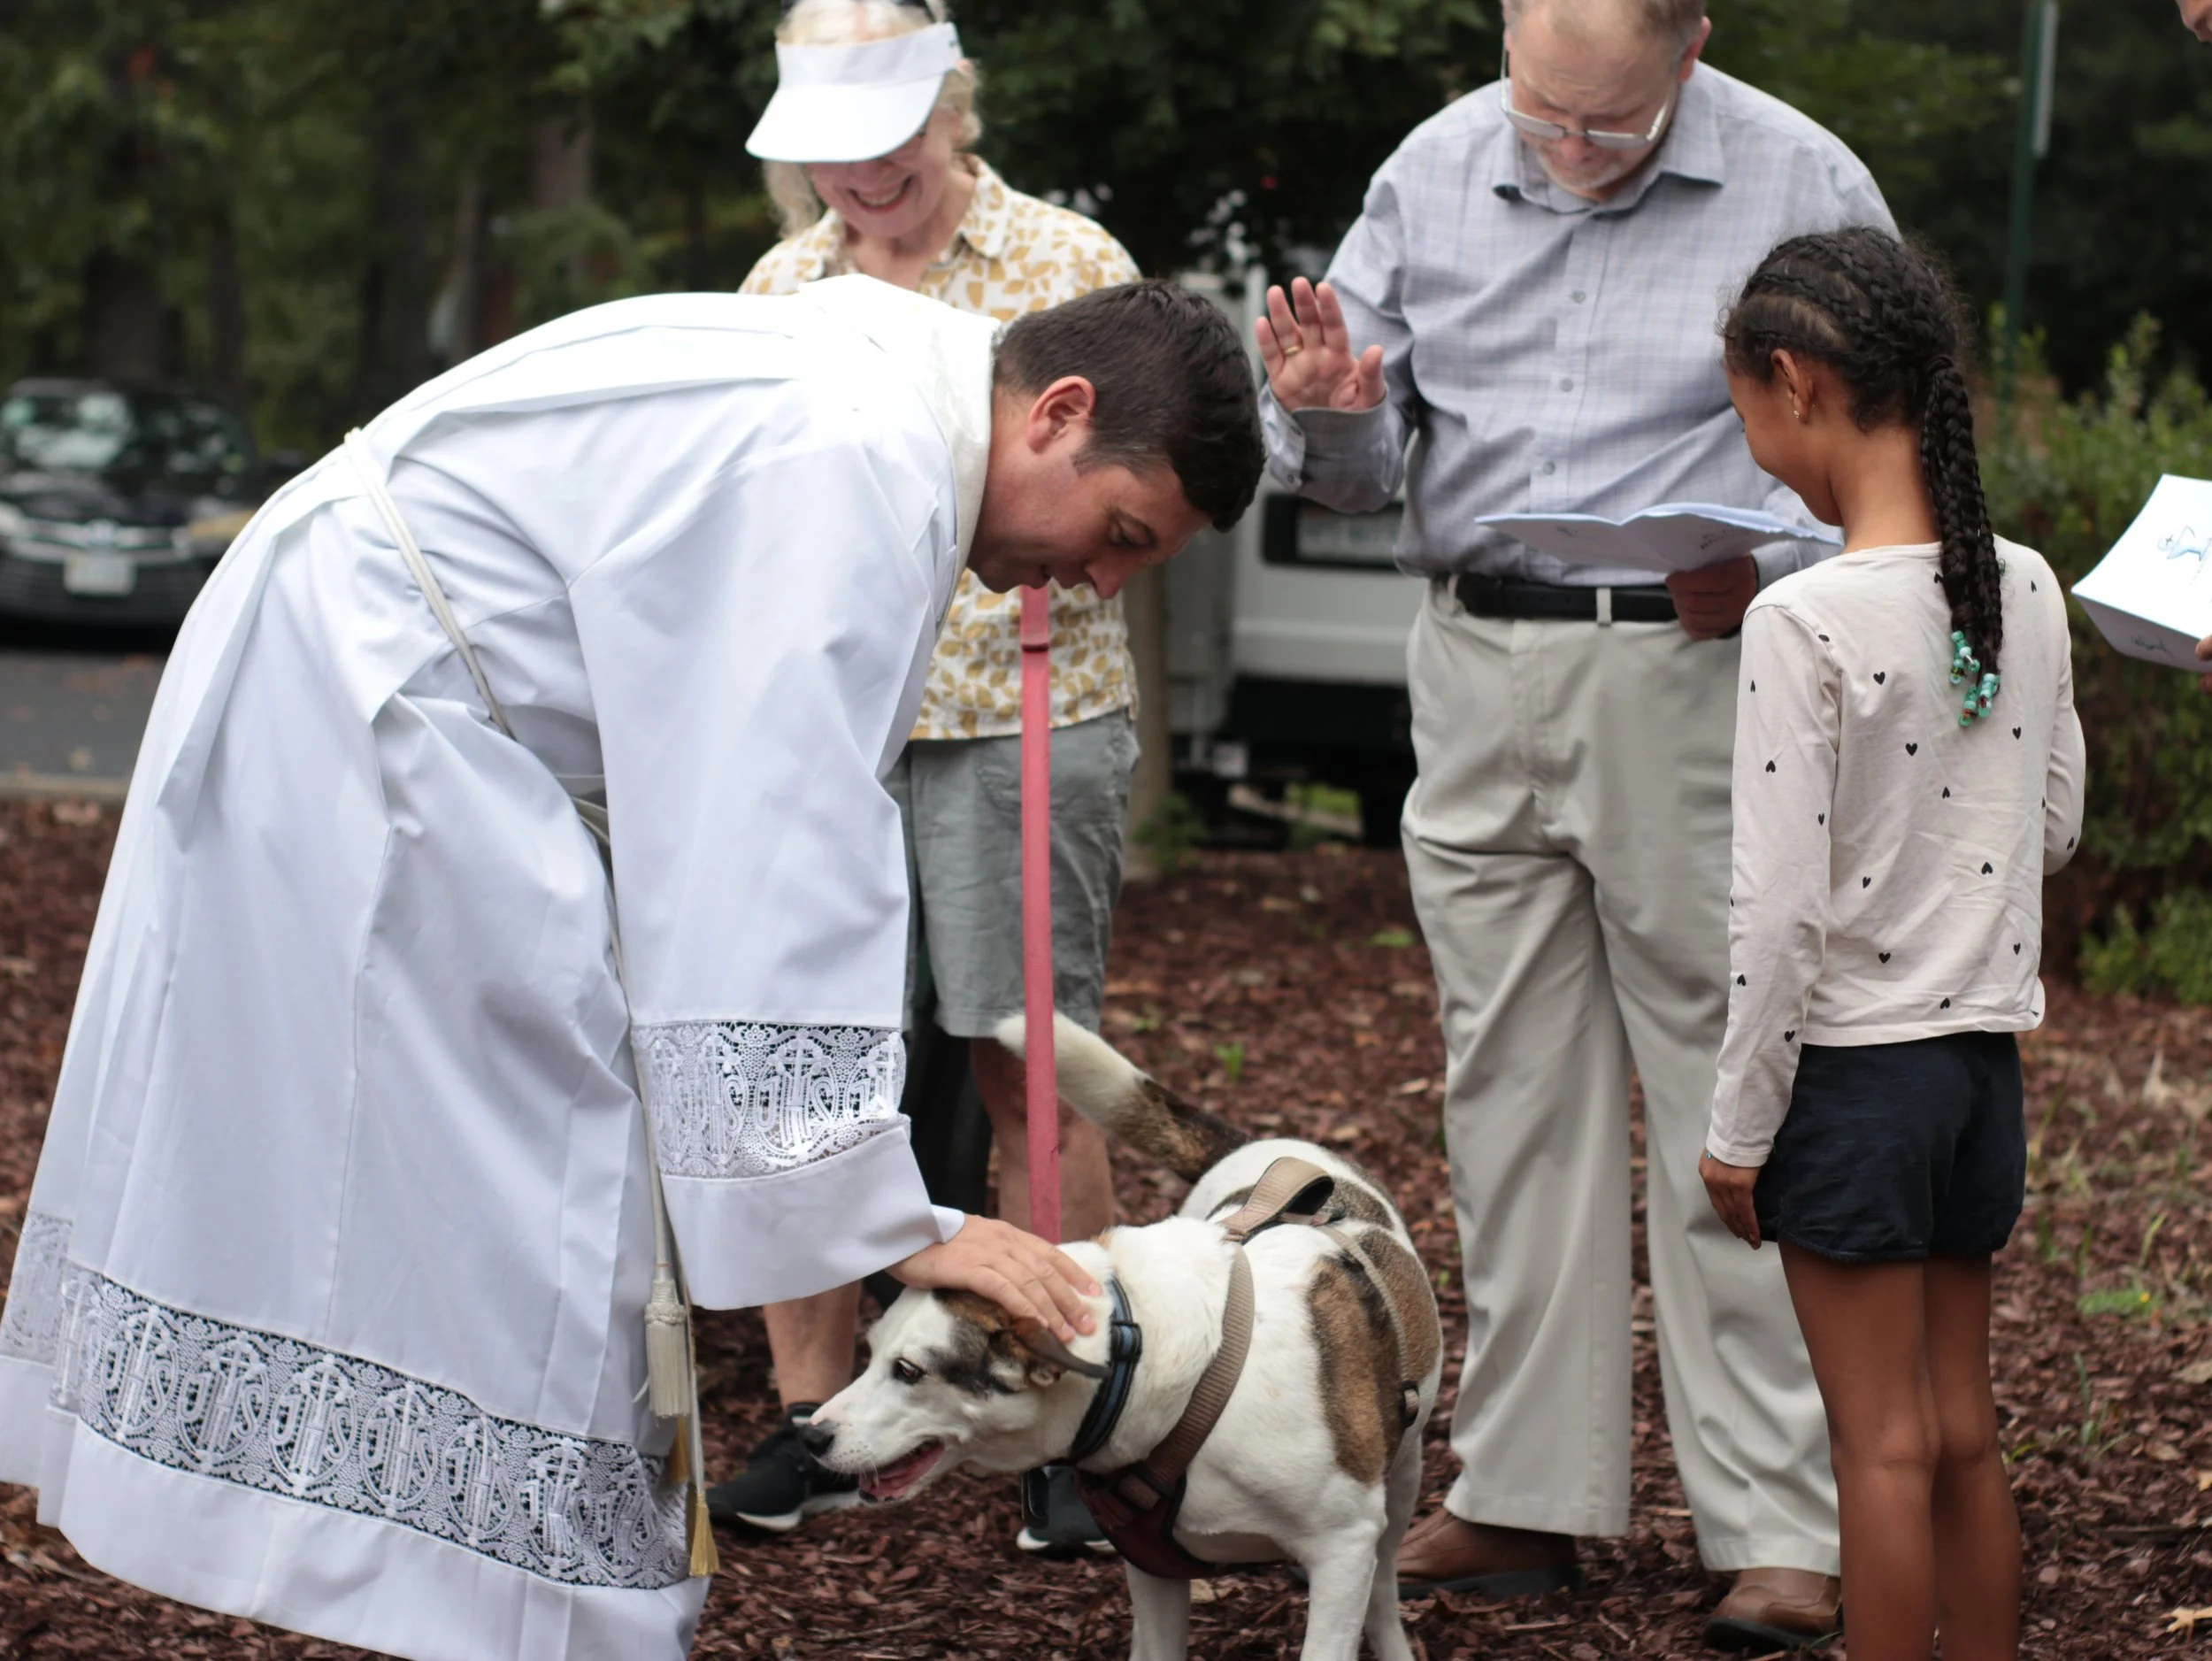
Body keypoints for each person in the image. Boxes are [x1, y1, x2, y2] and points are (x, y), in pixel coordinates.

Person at [0, 274, 1262, 1661]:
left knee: (533, 1179)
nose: (1098, 583)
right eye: (1121, 534)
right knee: (543, 1185)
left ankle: (510, 1591)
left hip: (399, 694)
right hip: (379, 707)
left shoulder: (904, 396)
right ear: (1060, 414)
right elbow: (775, 837)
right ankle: (529, 1606)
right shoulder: (857, 458)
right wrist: (900, 1216)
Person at [1256, 0, 1893, 1644]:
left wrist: (1768, 568)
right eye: (1543, 116)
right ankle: (1522, 1493)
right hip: (1472, 661)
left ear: (1694, 44)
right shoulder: (1436, 163)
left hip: (1698, 668)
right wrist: (1327, 410)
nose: (1568, 156)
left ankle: (1779, 1524)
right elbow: (1348, 469)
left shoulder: (1803, 178)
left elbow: (1893, 471)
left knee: (1725, 1087)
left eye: (1607, 130)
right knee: (1507, 1091)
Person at [708, 0, 1139, 1554]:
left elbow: (1134, 502)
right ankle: (822, 1420)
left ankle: (1074, 1423)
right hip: (833, 731)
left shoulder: (1067, 267)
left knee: (1029, 1063)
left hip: (1025, 708)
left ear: (952, 105)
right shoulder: (786, 286)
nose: (860, 168)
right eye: (827, 140)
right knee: (799, 1053)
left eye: (886, 127)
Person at [1700, 227, 2085, 1661]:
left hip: (1854, 1088)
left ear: (1796, 383)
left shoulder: (1800, 616)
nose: (1750, 448)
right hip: (1980, 1077)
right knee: (1963, 1435)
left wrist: (1738, 1132)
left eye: (1744, 413)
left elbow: (1780, 914)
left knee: (1877, 1449)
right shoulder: (2026, 586)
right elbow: (2049, 826)